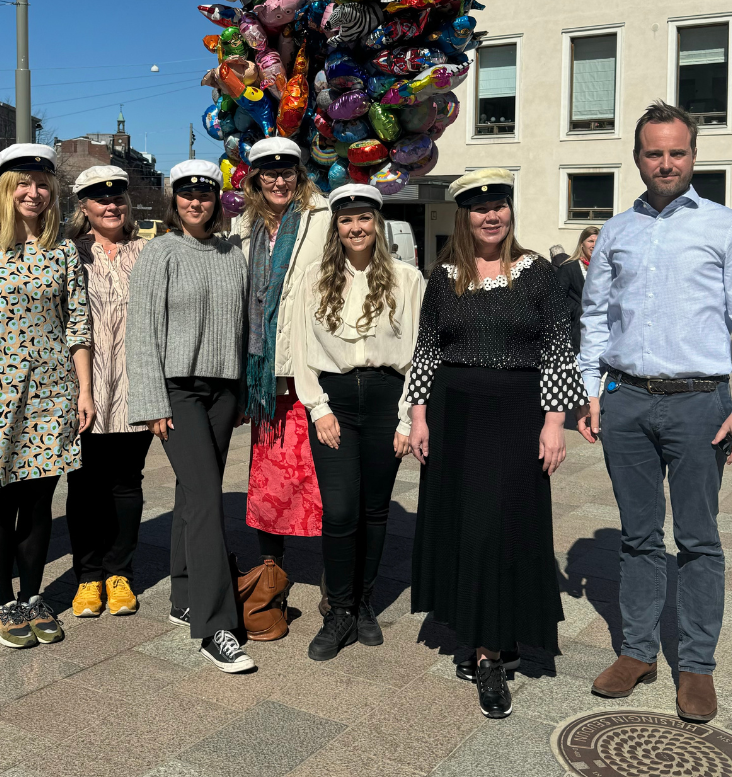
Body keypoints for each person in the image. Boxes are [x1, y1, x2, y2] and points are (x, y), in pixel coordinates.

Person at [577, 101, 732, 723]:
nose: (665, 162)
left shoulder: (729, 227)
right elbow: (594, 318)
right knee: (638, 536)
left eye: (677, 152)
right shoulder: (616, 231)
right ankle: (637, 651)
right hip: (627, 400)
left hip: (699, 403)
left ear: (694, 155)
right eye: (653, 152)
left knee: (697, 539)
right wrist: (590, 388)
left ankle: (697, 665)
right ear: (637, 158)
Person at [406, 168, 588, 720]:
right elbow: (428, 349)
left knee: (500, 525)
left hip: (515, 413)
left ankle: (489, 654)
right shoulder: (445, 276)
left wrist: (554, 422)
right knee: (465, 525)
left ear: (510, 210)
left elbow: (559, 349)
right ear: (464, 215)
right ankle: (478, 631)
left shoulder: (539, 275)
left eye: (500, 205)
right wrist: (417, 416)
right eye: (480, 207)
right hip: (452, 412)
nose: (492, 215)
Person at [0, 144, 95, 649]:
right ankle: (2, 603)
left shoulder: (62, 252)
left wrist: (85, 392)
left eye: (41, 183)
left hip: (54, 392)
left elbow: (78, 325)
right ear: (5, 192)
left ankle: (33, 598)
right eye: (22, 184)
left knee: (38, 503)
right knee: (0, 502)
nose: (33, 193)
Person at [126, 160, 254, 673]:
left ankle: (183, 594)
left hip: (223, 390)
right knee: (206, 498)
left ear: (217, 200)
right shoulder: (160, 252)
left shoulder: (233, 253)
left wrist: (243, 391)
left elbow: (244, 328)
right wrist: (151, 401)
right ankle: (216, 625)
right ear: (173, 200)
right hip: (177, 390)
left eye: (204, 194)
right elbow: (143, 330)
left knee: (191, 492)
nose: (196, 202)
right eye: (186, 194)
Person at [291, 184, 421, 661]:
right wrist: (318, 407)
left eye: (364, 218)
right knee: (341, 510)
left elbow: (420, 356)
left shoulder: (407, 279)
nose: (356, 228)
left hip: (389, 397)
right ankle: (339, 609)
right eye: (346, 220)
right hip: (337, 401)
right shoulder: (313, 278)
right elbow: (299, 349)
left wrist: (408, 416)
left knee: (375, 509)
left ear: (378, 223)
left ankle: (364, 603)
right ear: (336, 227)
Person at [231, 137, 330, 605]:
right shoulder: (241, 225)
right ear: (254, 178)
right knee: (269, 482)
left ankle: (338, 590)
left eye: (287, 171)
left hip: (309, 372)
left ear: (299, 175)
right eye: (268, 172)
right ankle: (273, 579)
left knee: (326, 481)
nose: (278, 180)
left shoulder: (323, 219)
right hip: (265, 380)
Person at [64, 165, 151, 619]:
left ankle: (120, 572)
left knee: (126, 482)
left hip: (136, 388)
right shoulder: (69, 253)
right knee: (84, 484)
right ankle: (88, 575)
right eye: (99, 199)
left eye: (118, 198)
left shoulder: (148, 252)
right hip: (84, 389)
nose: (111, 205)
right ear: (84, 207)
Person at [556, 226, 599, 354]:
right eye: (590, 241)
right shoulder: (569, 267)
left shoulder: (604, 269)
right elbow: (558, 299)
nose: (594, 245)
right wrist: (578, 310)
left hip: (598, 328)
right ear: (582, 244)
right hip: (576, 331)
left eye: (598, 241)